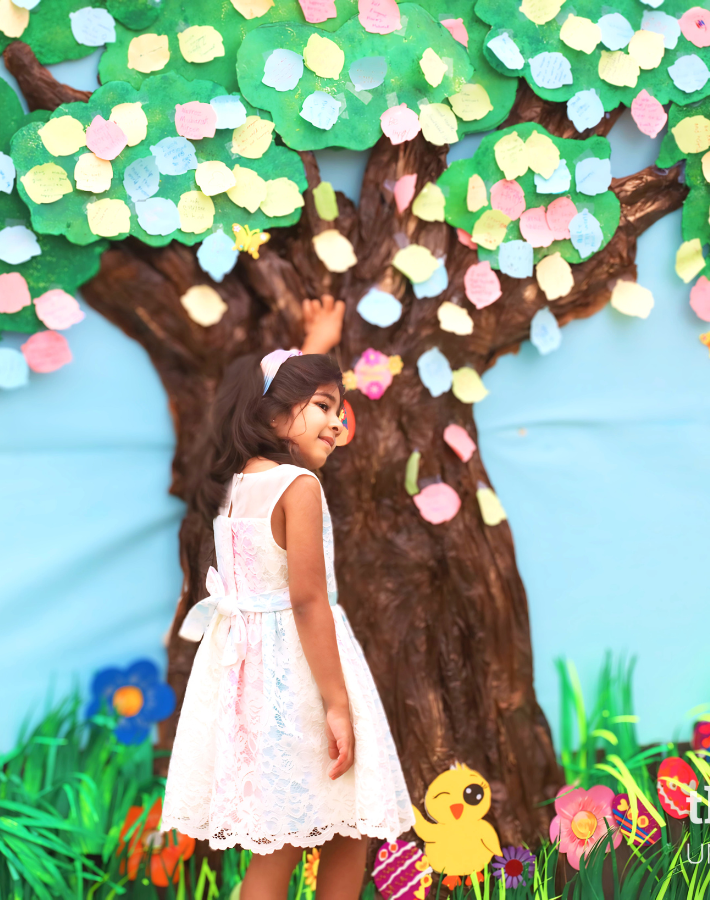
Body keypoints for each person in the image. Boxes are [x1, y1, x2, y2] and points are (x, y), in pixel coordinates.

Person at [161, 296, 413, 900]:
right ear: (273, 416)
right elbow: (306, 601)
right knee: (349, 829)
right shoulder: (299, 485)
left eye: (340, 408)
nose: (337, 423)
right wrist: (335, 704)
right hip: (302, 678)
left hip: (252, 682)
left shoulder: (236, 488)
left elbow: (287, 382)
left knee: (277, 844)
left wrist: (315, 340)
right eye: (324, 407)